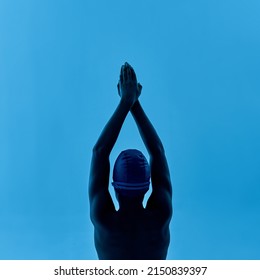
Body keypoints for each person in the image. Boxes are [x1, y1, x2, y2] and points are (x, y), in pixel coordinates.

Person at [89, 62, 172, 260]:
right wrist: (134, 103)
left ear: (114, 187)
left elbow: (99, 152)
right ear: (147, 186)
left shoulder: (104, 221)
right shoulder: (161, 216)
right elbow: (158, 152)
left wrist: (126, 101)